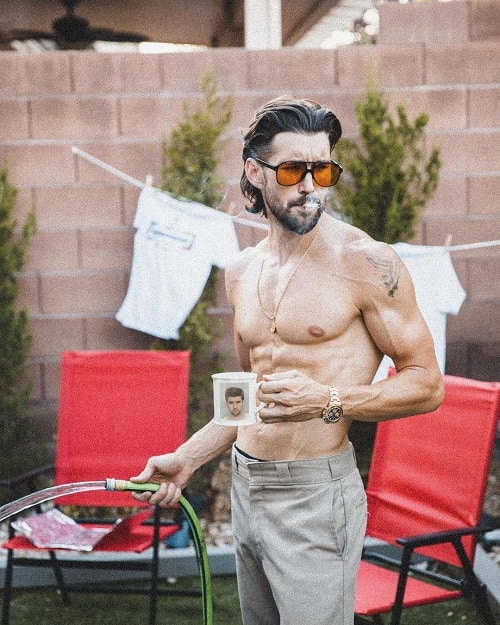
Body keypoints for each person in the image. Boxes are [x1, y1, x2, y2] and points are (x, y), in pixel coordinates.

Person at [130, 96, 444, 625]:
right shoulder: (241, 270)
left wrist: (331, 400)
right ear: (254, 172)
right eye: (294, 169)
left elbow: (428, 385)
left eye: (323, 170)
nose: (309, 186)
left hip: (315, 496)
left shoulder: (366, 261)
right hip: (246, 485)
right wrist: (189, 455)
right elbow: (247, 394)